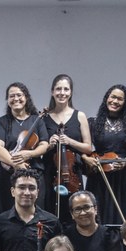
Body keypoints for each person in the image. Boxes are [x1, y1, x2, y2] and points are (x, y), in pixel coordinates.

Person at [84, 85, 126, 225]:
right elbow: (85, 149)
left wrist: (125, 162)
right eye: (113, 97)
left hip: (125, 175)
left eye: (120, 99)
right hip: (100, 174)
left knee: (125, 215)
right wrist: (88, 160)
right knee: (99, 214)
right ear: (106, 98)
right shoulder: (94, 122)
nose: (115, 101)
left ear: (125, 102)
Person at [0, 82, 49, 214]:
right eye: (11, 96)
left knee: (37, 214)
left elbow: (44, 144)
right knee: (8, 214)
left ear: (26, 97)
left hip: (34, 172)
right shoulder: (2, 122)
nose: (16, 98)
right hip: (8, 175)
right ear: (8, 100)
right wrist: (16, 164)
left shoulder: (37, 120)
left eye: (19, 95)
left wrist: (29, 154)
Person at [43, 74, 93, 223]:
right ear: (52, 92)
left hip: (72, 174)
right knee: (50, 212)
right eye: (58, 89)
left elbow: (88, 148)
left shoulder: (80, 116)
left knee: (75, 211)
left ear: (70, 92)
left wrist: (69, 141)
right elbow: (39, 147)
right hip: (50, 173)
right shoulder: (44, 117)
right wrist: (49, 143)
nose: (62, 93)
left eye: (66, 89)